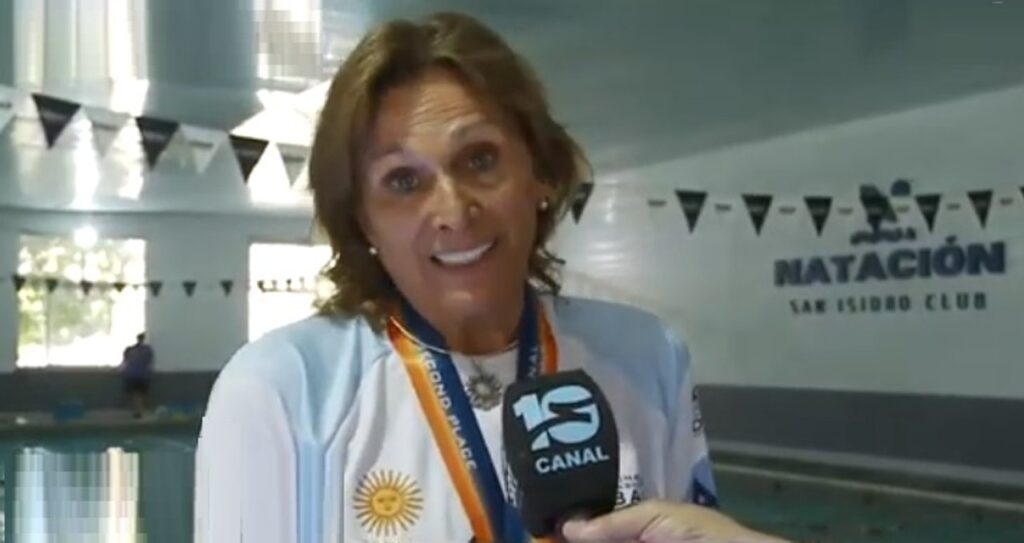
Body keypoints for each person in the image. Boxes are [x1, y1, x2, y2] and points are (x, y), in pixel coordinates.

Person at [194, 11, 788, 543]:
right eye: (403, 181)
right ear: (362, 219)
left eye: (480, 160)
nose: (454, 212)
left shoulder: (647, 357)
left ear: (540, 174)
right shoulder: (280, 389)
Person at [120, 332, 154, 419]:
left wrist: (122, 369)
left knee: (136, 394)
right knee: (141, 394)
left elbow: (125, 361)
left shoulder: (130, 349)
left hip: (132, 374)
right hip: (143, 375)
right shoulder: (148, 350)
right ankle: (140, 410)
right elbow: (149, 362)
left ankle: (138, 411)